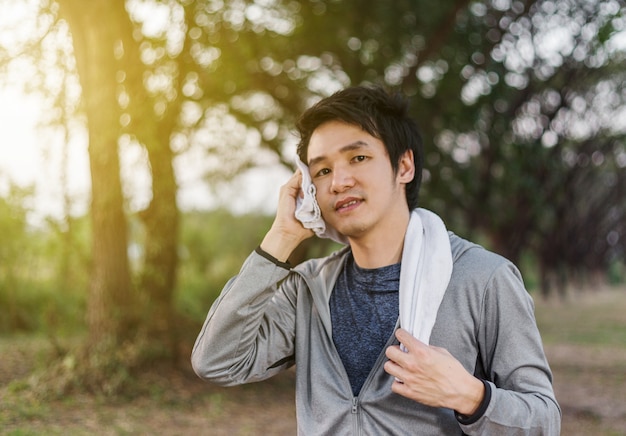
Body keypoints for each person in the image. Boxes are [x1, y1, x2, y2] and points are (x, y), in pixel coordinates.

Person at [191, 86, 561, 435]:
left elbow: (543, 420)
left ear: (404, 167)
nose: (338, 182)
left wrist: (470, 396)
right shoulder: (308, 288)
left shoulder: (482, 279)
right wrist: (281, 240)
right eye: (321, 171)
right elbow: (217, 361)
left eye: (358, 157)